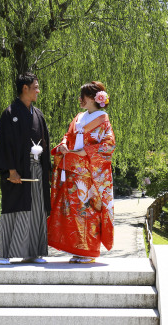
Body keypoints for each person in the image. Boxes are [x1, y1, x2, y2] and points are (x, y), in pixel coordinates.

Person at [47, 81, 116, 263]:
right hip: (72, 171)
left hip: (90, 174)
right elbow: (68, 136)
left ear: (95, 99)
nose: (80, 100)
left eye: (83, 97)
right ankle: (78, 249)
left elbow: (109, 145)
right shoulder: (79, 117)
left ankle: (90, 250)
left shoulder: (103, 120)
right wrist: (63, 145)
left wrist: (88, 151)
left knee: (89, 210)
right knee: (75, 211)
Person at [0, 72, 52, 265]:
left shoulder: (38, 114)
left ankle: (33, 252)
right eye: (36, 87)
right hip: (17, 171)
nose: (38, 91)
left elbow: (46, 144)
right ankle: (4, 253)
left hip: (37, 170)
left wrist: (47, 170)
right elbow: (4, 143)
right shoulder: (10, 113)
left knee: (36, 209)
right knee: (13, 208)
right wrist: (11, 170)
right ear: (25, 88)